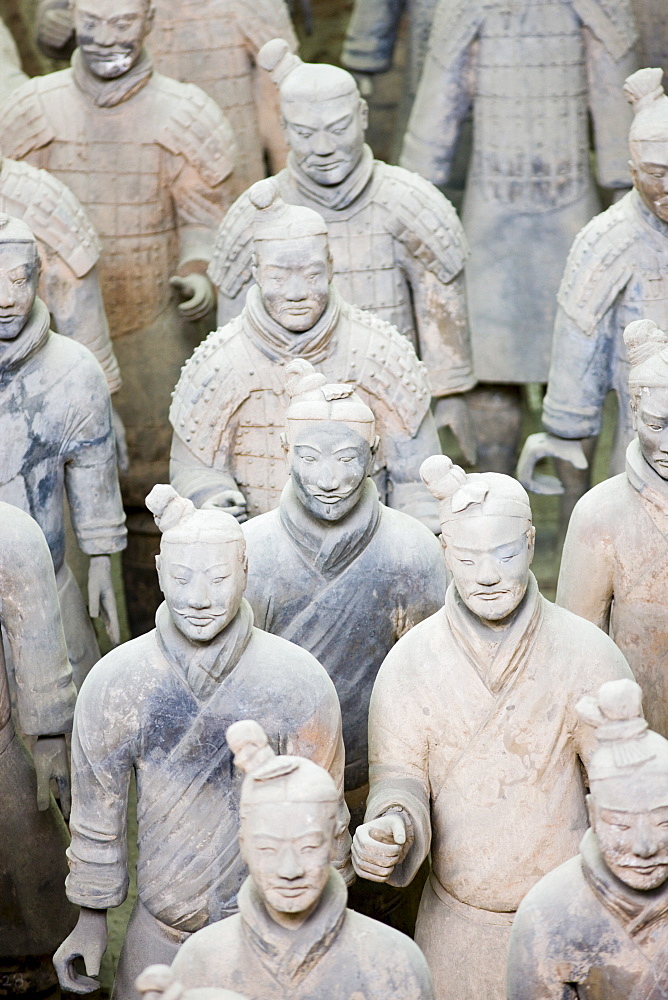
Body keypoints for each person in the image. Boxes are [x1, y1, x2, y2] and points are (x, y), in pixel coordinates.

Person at [352, 454, 633, 1000]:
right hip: (457, 924)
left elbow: (621, 794)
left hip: (570, 921)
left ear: (530, 543)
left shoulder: (588, 656)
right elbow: (401, 781)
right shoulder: (411, 662)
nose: (487, 575)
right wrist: (390, 828)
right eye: (467, 556)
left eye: (505, 554)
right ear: (443, 553)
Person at [53, 485, 350, 1000]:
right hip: (159, 935)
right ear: (160, 568)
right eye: (183, 577)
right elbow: (98, 813)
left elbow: (324, 821)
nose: (198, 598)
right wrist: (91, 919)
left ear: (245, 572)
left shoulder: (297, 681)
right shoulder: (118, 681)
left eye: (218, 578)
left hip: (273, 937)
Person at [0, 0, 238, 635]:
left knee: (152, 493)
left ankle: (161, 632)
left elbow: (204, 216)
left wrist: (197, 268)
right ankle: (84, 647)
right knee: (60, 496)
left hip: (151, 330)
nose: (109, 40)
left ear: (151, 19)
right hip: (54, 339)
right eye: (95, 23)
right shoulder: (32, 112)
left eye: (124, 24)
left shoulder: (185, 115)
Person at [243, 359, 446, 928]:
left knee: (382, 938)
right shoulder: (251, 552)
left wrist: (402, 798)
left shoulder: (412, 552)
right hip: (274, 788)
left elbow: (430, 686)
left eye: (347, 458)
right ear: (284, 449)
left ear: (375, 451)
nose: (329, 478)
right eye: (309, 458)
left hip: (381, 789)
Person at [401, 0, 637, 474]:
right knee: (490, 375)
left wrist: (625, 209)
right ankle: (494, 498)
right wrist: (411, 205)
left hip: (572, 217)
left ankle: (576, 514)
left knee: (578, 371)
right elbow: (433, 122)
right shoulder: (463, 7)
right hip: (491, 220)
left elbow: (619, 118)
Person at [209, 42, 476, 459]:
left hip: (389, 405)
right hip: (283, 417)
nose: (322, 147)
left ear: (363, 117)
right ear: (282, 125)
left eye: (337, 129)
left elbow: (441, 318)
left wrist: (449, 396)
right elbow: (229, 349)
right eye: (303, 132)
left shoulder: (408, 202)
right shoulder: (254, 214)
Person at [171, 179, 443, 532]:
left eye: (312, 274)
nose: (297, 292)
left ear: (331, 268)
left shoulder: (382, 353)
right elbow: (192, 469)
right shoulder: (218, 362)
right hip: (253, 560)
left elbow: (417, 478)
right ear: (255, 273)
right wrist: (210, 497)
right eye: (278, 277)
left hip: (369, 555)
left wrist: (416, 541)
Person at [168, 719, 435, 1000]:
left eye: (308, 847)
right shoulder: (201, 961)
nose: (289, 870)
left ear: (335, 842)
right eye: (268, 849)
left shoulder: (394, 962)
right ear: (243, 845)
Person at [519, 67, 668, 501]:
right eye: (656, 174)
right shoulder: (607, 239)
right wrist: (568, 426)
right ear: (632, 170)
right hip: (643, 427)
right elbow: (579, 337)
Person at [0, 213, 125, 685]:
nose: (6, 300)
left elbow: (94, 470)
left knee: (69, 722)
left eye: (18, 279)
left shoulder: (73, 371)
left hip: (50, 587)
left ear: (39, 275)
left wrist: (100, 563)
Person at [507, 678, 668, 999]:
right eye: (621, 826)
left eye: (664, 822)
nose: (645, 847)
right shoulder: (548, 913)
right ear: (592, 814)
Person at [34, 0, 297, 193]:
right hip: (134, 166)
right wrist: (51, 20)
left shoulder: (253, 6)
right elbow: (62, 18)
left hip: (231, 164)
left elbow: (276, 109)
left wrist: (289, 193)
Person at [556, 319, 668, 737]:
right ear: (634, 413)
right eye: (657, 425)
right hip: (634, 742)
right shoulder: (599, 514)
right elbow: (575, 652)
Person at [0, 502, 77, 995]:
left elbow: (37, 643)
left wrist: (50, 735)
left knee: (28, 875)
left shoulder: (10, 535)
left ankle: (27, 957)